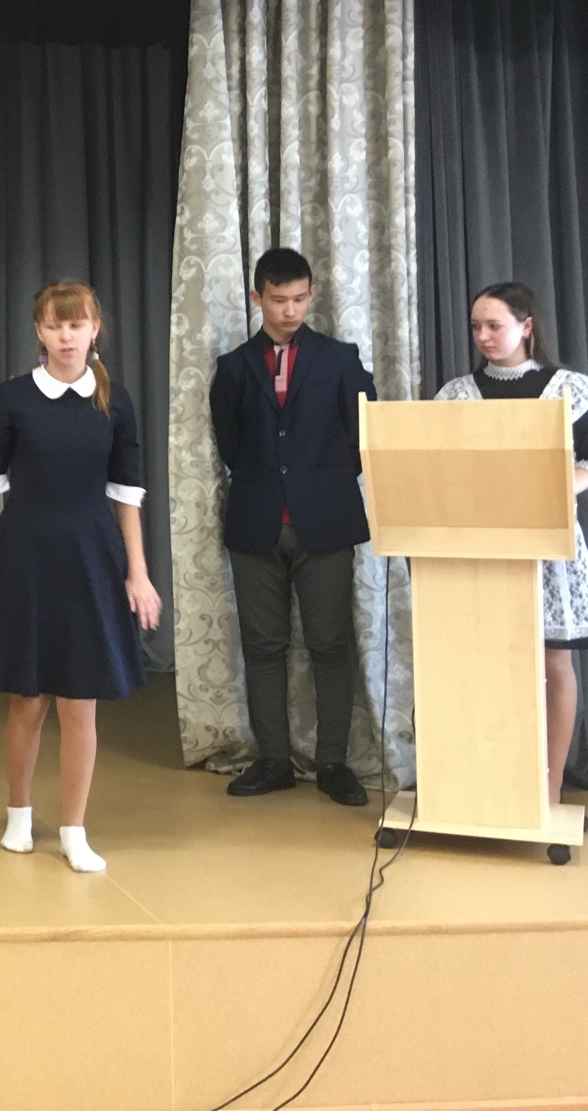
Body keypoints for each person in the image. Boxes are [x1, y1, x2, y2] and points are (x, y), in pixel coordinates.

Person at [0, 282, 161, 872]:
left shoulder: (115, 400)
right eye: (55, 326)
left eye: (76, 325)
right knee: (27, 703)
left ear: (94, 330)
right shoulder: (13, 398)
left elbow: (127, 494)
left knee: (81, 706)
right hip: (25, 556)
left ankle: (75, 829)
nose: (66, 336)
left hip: (92, 559)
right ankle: (19, 813)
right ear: (39, 331)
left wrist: (138, 573)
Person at [209, 248, 376, 806]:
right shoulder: (234, 367)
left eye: (300, 299)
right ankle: (274, 760)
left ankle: (333, 762)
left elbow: (364, 433)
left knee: (330, 644)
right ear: (257, 298)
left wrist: (320, 482)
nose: (290, 310)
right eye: (279, 300)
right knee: (263, 646)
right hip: (255, 522)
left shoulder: (340, 359)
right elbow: (231, 444)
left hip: (325, 521)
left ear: (312, 294)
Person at [434, 282, 588, 804]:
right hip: (480, 546)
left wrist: (559, 484)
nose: (483, 336)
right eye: (476, 327)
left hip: (546, 545)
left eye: (495, 325)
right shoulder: (457, 395)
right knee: (486, 665)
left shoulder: (566, 389)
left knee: (554, 666)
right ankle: (491, 783)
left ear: (526, 326)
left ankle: (549, 787)